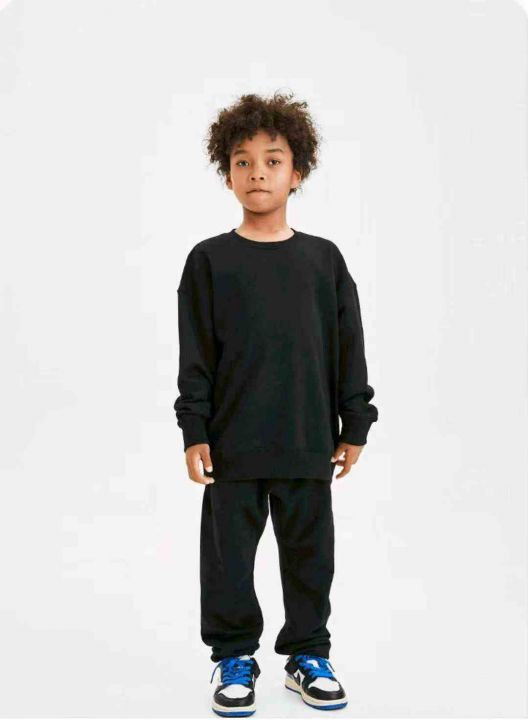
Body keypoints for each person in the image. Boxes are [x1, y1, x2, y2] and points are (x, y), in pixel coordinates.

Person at [173, 91, 378, 716]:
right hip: (231, 443)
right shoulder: (209, 261)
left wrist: (356, 421)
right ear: (227, 173)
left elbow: (348, 346)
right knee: (228, 561)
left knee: (310, 556)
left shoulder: (324, 260)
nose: (257, 172)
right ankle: (233, 656)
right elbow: (196, 354)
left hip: (307, 438)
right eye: (242, 161)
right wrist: (194, 429)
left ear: (298, 171)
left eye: (272, 160)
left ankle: (307, 654)